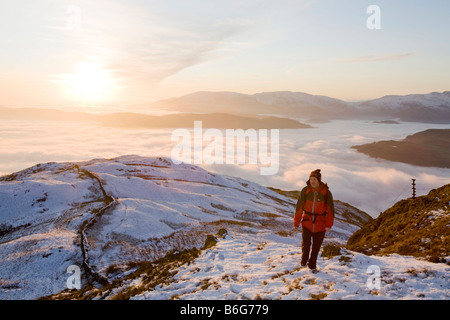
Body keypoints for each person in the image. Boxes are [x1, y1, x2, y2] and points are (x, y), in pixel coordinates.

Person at [294, 169, 334, 272]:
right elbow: (299, 207)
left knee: (316, 247)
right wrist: (296, 222)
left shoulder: (326, 192)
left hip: (320, 223)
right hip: (307, 221)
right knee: (306, 244)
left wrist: (329, 224)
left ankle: (312, 265)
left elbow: (330, 210)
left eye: (314, 179)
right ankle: (303, 262)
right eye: (311, 179)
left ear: (319, 180)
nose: (312, 181)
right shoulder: (305, 191)